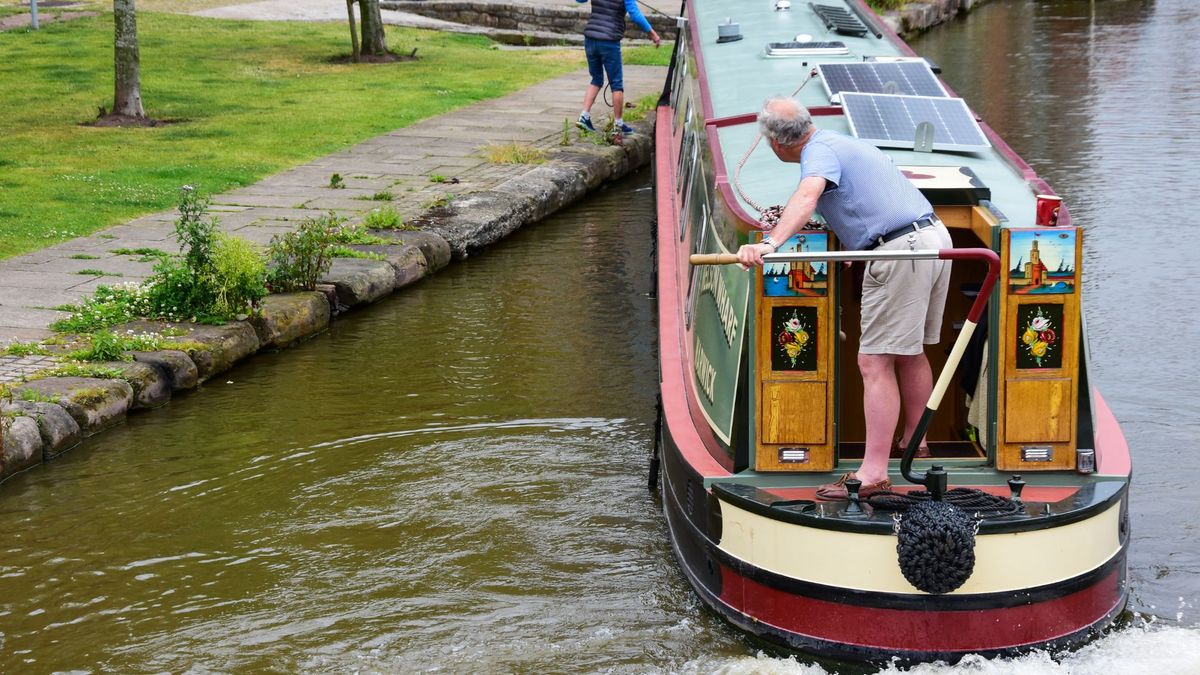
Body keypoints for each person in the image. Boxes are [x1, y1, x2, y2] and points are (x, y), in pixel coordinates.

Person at [736, 96, 952, 500]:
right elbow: (868, 200)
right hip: (933, 239)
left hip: (902, 250)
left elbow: (808, 196)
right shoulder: (839, 141)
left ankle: (873, 474)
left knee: (873, 361)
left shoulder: (816, 155)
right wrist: (861, 247)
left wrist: (770, 243)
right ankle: (915, 441)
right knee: (909, 351)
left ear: (775, 143)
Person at [575, 0, 661, 137]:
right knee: (616, 85)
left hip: (590, 39)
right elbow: (635, 15)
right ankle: (618, 125)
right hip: (609, 41)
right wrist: (652, 33)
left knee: (596, 79)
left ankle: (584, 116)